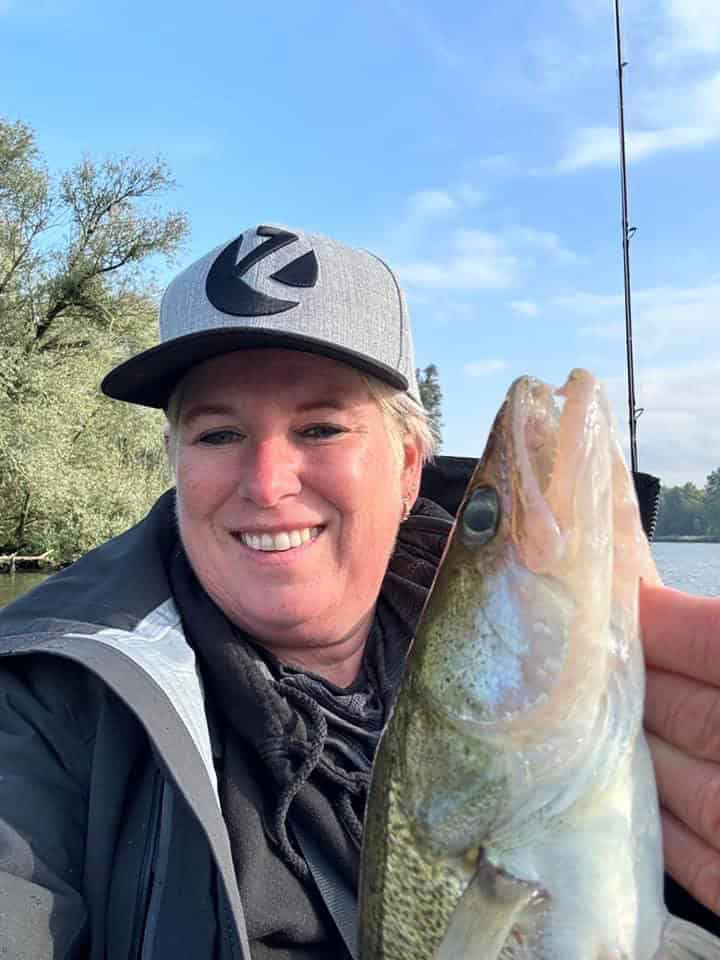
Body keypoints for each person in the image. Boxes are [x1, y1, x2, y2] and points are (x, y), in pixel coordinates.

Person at [0, 222, 717, 959]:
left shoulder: (615, 700)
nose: (269, 484)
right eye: (217, 435)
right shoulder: (42, 709)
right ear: (176, 463)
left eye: (319, 428)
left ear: (408, 467)